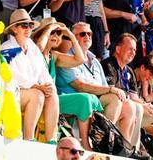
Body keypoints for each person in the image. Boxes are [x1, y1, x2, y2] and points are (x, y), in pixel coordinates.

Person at [56, 21, 137, 142]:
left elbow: (103, 87)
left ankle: (124, 146)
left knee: (129, 106)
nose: (87, 36)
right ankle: (102, 141)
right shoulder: (67, 58)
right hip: (76, 99)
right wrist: (111, 89)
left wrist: (112, 91)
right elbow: (80, 86)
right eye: (82, 34)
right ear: (73, 38)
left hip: (95, 101)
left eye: (89, 34)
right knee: (114, 98)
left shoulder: (95, 61)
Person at [32, 17, 102, 149]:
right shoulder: (35, 51)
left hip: (53, 99)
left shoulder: (54, 55)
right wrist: (50, 28)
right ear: (41, 34)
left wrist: (70, 35)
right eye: (51, 33)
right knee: (84, 98)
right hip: (37, 96)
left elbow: (80, 59)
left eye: (58, 33)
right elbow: (39, 48)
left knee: (85, 99)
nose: (55, 35)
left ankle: (85, 143)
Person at [1, 9, 59, 141]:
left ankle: (51, 140)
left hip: (31, 90)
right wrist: (37, 86)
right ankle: (29, 139)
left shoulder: (32, 47)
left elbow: (43, 72)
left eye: (30, 25)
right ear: (14, 29)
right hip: (11, 93)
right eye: (24, 25)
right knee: (37, 95)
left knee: (52, 94)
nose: (28, 29)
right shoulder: (6, 47)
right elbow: (10, 75)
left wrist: (48, 86)